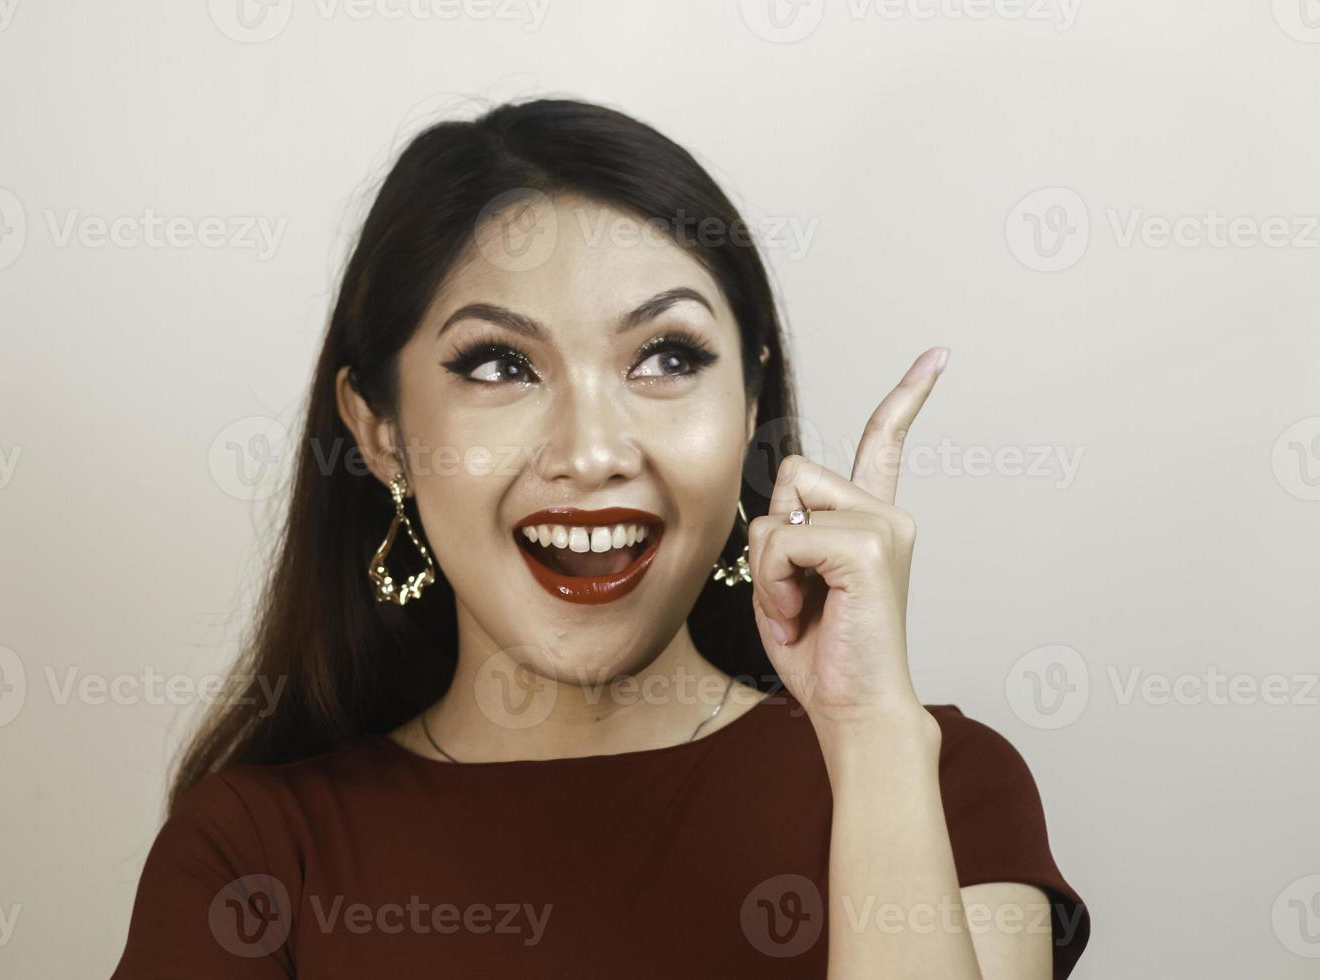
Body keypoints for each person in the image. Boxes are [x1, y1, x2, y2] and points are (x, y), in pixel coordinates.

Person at [111, 97, 1090, 979]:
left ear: (750, 404)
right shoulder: (252, 856)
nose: (590, 453)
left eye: (666, 356)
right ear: (380, 431)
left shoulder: (938, 782)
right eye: (499, 365)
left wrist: (872, 729)